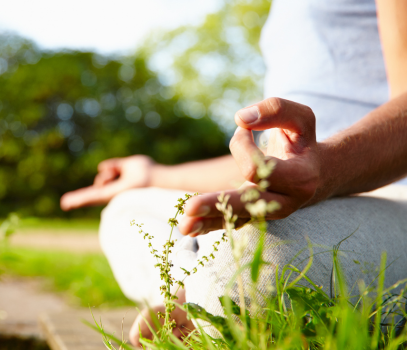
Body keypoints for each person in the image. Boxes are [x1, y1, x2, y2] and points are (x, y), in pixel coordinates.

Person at [62, 0, 407, 345]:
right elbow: (273, 167)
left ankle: (198, 295)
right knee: (127, 210)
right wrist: (153, 175)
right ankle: (200, 295)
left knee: (257, 262)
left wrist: (327, 168)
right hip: (314, 186)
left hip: (390, 191)